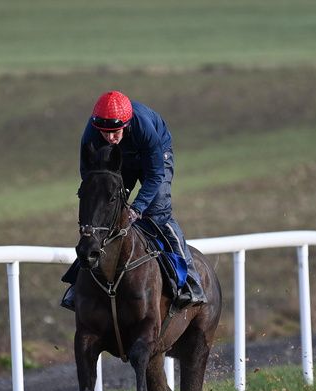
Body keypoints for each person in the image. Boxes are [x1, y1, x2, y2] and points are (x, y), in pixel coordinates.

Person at [61, 90, 207, 310]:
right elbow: (90, 178)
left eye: (115, 132)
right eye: (105, 133)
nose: (110, 138)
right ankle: (77, 283)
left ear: (127, 124)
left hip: (155, 155)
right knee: (104, 214)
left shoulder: (144, 128)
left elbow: (155, 174)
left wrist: (137, 208)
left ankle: (190, 280)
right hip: (121, 160)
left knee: (157, 211)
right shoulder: (91, 135)